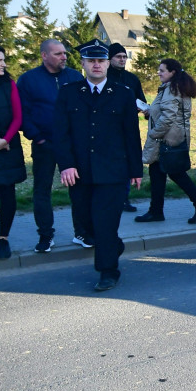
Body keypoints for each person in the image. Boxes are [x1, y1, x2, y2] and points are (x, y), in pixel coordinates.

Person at [53, 39, 143, 291]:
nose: (96, 65)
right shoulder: (68, 93)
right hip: (79, 171)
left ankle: (107, 271)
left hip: (113, 171)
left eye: (100, 61)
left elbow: (131, 135)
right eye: (90, 61)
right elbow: (60, 134)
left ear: (107, 64)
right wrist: (67, 165)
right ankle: (112, 246)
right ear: (82, 64)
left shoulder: (123, 94)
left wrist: (136, 170)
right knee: (86, 224)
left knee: (105, 222)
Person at [17, 38, 89, 253]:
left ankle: (82, 232)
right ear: (44, 55)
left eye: (64, 53)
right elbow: (22, 113)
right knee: (42, 190)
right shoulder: (29, 80)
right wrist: (37, 137)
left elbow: (85, 108)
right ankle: (46, 235)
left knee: (79, 188)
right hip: (44, 144)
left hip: (73, 145)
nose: (64, 57)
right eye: (58, 54)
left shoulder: (74, 77)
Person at [135, 59, 196, 224]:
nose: (159, 73)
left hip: (167, 139)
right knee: (157, 173)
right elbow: (166, 112)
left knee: (176, 174)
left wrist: (154, 134)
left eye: (162, 70)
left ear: (173, 72)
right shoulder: (174, 88)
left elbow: (169, 117)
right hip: (171, 137)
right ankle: (156, 211)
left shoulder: (171, 89)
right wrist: (150, 111)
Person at [0, 46, 26, 260]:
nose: (4, 64)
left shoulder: (9, 84)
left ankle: (4, 239)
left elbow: (18, 117)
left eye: (4, 60)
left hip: (8, 148)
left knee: (7, 195)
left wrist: (5, 140)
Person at [107, 42, 147, 212]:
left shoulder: (132, 79)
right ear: (110, 59)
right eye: (118, 57)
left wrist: (143, 108)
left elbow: (141, 100)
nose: (122, 59)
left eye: (124, 56)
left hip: (129, 128)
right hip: (107, 129)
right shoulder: (104, 77)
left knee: (126, 163)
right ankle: (108, 198)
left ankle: (124, 199)